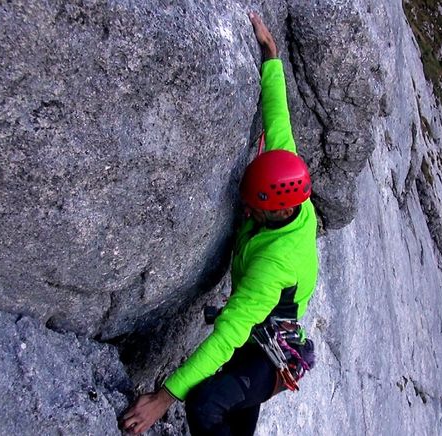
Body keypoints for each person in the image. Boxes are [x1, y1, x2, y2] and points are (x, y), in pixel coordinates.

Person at [120, 12, 319, 435]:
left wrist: (162, 398)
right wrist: (271, 58)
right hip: (257, 339)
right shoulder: (287, 177)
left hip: (264, 353)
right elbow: (278, 118)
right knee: (232, 412)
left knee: (207, 403)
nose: (245, 209)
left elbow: (229, 333)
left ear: (278, 210)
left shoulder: (276, 263)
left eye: (254, 207)